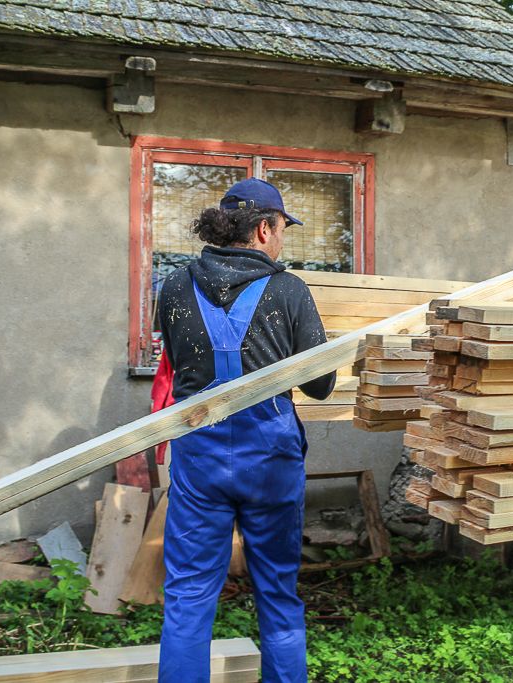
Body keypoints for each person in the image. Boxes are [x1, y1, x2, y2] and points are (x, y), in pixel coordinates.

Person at [156, 178, 336, 683]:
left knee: (189, 595)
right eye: (281, 230)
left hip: (199, 459)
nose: (281, 242)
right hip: (270, 463)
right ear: (263, 229)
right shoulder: (289, 290)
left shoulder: (174, 285)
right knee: (277, 594)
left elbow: (175, 365)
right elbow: (322, 385)